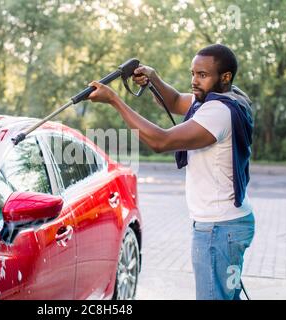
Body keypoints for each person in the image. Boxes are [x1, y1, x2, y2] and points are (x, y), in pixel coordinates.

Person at [87, 44, 255, 300]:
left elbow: (160, 142)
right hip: (229, 225)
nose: (194, 81)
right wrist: (154, 78)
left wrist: (115, 101)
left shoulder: (217, 112)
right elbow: (176, 101)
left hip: (218, 230)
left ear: (225, 77)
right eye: (193, 73)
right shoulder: (232, 98)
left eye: (202, 75)